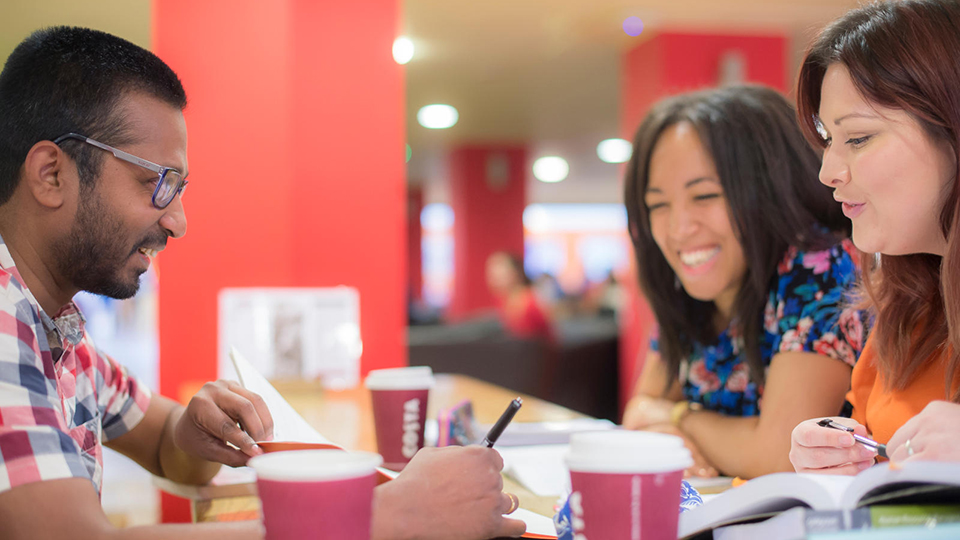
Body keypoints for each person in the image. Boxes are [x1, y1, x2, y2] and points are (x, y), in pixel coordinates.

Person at [0, 27, 525, 540]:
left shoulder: (58, 330)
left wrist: (190, 429)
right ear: (51, 175)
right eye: (157, 182)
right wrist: (386, 519)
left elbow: (163, 445)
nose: (177, 221)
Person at [621, 86, 867, 479]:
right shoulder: (691, 290)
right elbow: (639, 409)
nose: (679, 229)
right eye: (658, 205)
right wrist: (660, 418)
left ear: (770, 189)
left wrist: (678, 416)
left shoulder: (819, 266)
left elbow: (777, 455)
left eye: (704, 196)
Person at [787, 0, 960, 475]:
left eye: (858, 139)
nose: (827, 172)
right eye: (827, 141)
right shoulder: (905, 311)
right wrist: (841, 462)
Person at [485, 251, 555, 343]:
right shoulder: (502, 301)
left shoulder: (531, 302)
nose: (494, 280)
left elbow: (550, 338)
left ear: (516, 273)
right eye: (492, 275)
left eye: (500, 275)